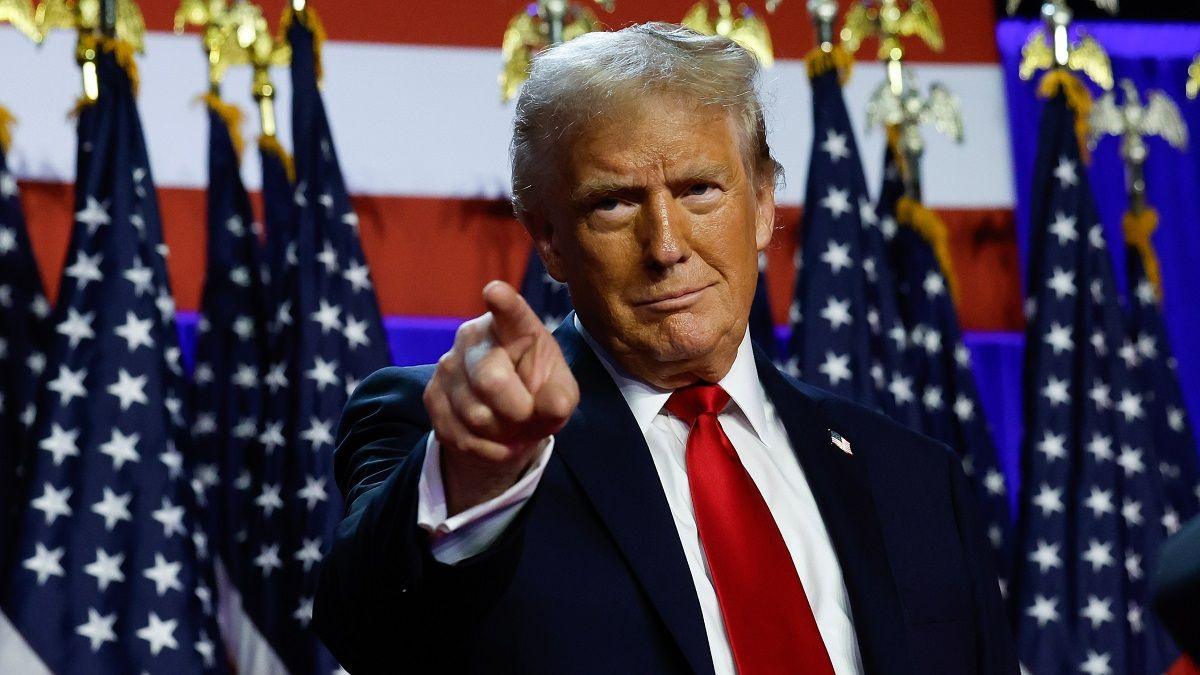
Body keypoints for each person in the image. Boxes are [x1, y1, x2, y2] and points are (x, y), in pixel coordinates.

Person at [313, 22, 1016, 674]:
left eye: (700, 189)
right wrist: (476, 479)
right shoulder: (451, 441)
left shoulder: (914, 477)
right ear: (549, 238)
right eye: (614, 203)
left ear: (765, 202)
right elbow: (372, 632)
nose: (667, 246)